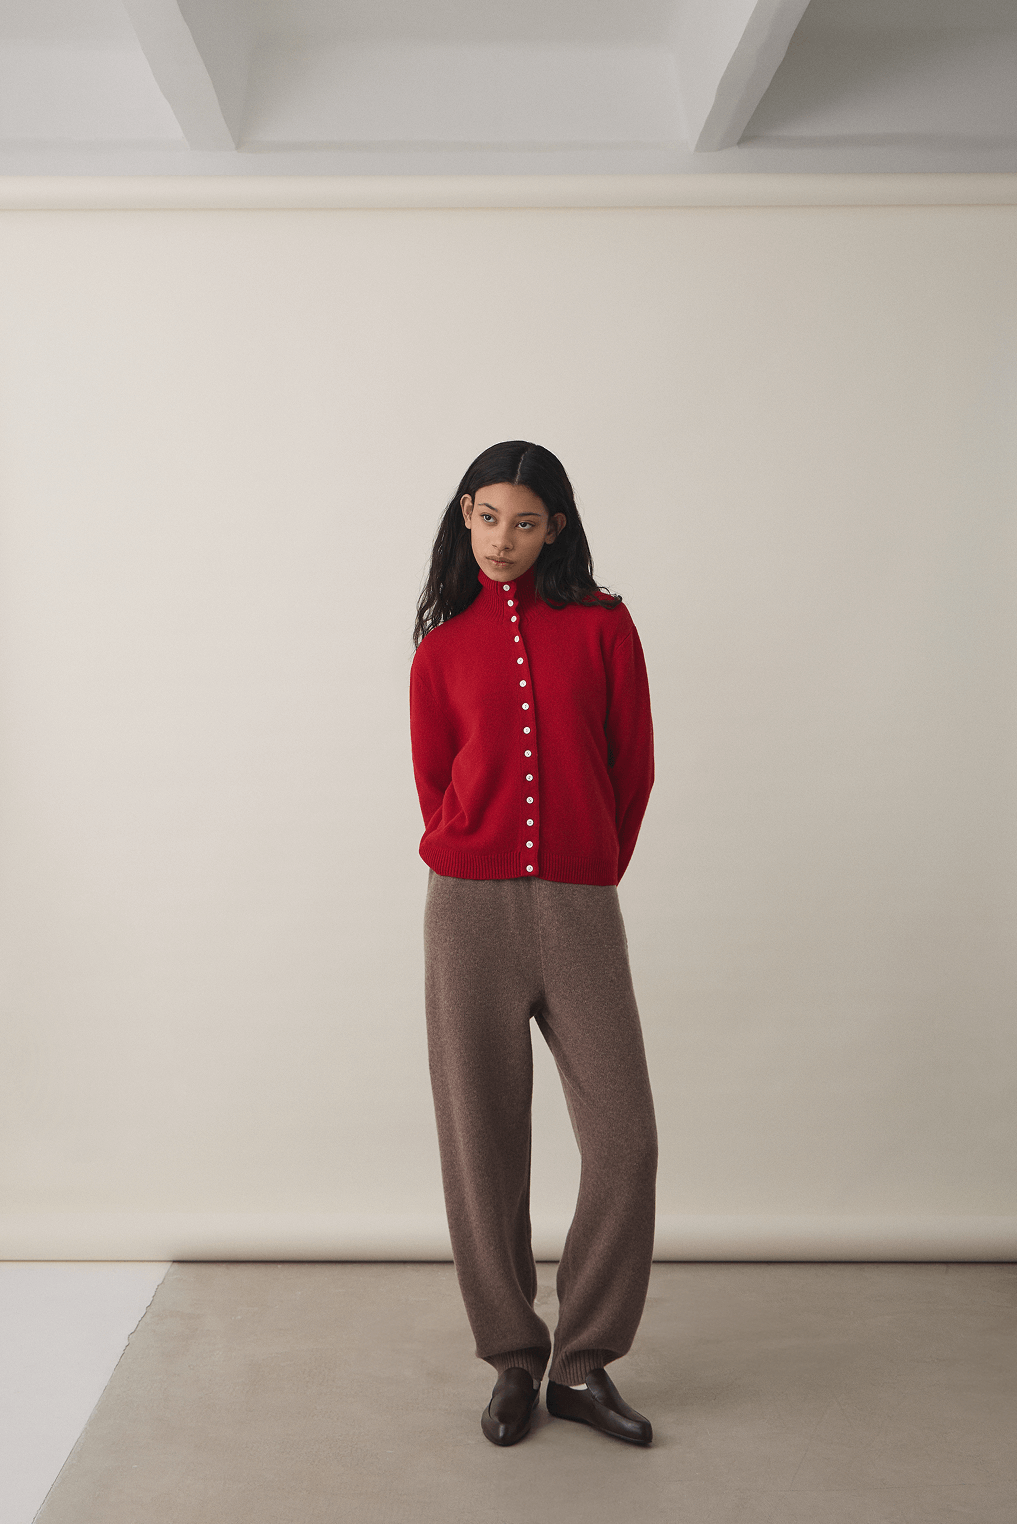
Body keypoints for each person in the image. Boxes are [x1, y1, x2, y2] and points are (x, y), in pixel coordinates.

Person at [409, 440, 659, 1448]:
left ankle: (583, 1365)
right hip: (466, 912)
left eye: (524, 522)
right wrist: (480, 858)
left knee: (626, 1141)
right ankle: (513, 1358)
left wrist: (590, 864)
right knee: (483, 1147)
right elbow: (435, 785)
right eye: (487, 518)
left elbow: (632, 766)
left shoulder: (604, 626)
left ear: (555, 526)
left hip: (579, 907)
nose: (502, 540)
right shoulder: (440, 649)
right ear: (464, 515)